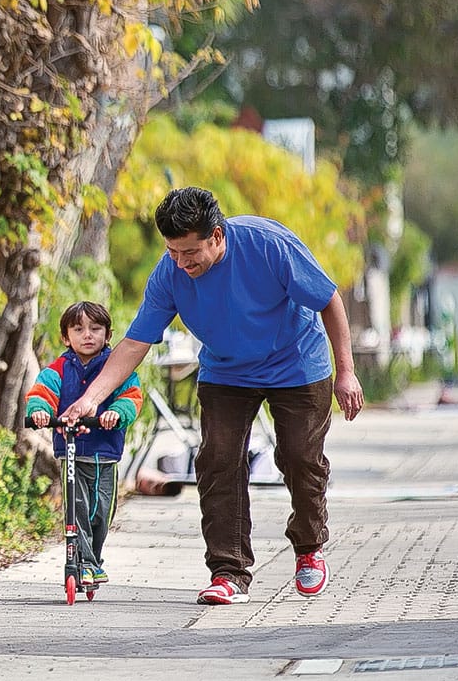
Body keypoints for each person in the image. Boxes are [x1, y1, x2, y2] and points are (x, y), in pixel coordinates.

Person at [66, 187, 364, 606]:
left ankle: (309, 549)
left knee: (299, 457)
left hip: (296, 363)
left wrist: (346, 373)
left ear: (218, 236)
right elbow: (136, 342)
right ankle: (229, 573)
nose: (182, 263)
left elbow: (329, 300)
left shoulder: (268, 246)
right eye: (173, 252)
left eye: (190, 252)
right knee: (218, 460)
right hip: (227, 370)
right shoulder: (169, 273)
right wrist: (92, 398)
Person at [24, 302, 144, 586]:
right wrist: (39, 411)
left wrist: (117, 412)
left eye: (95, 329)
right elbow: (41, 393)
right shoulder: (58, 370)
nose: (87, 335)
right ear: (66, 337)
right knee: (76, 509)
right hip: (73, 453)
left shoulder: (116, 367)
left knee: (101, 511)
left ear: (107, 334)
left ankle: (93, 560)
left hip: (105, 454)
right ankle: (84, 564)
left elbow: (132, 397)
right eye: (78, 329)